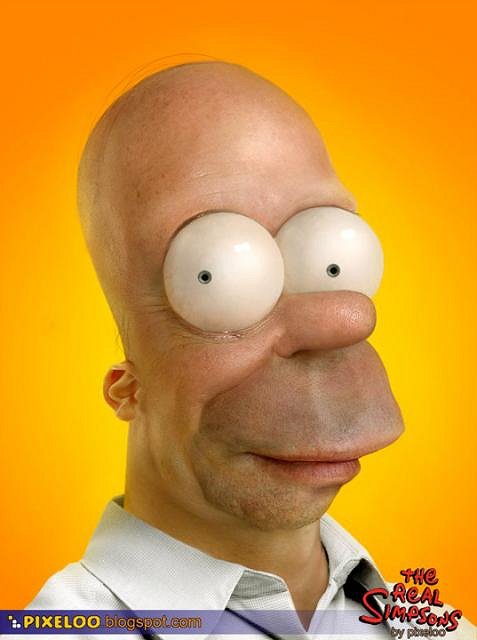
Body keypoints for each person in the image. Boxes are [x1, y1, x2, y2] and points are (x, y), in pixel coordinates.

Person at [18, 61, 475, 639]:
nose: (332, 326)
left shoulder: (438, 630)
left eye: (331, 259)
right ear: (124, 389)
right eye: (214, 275)